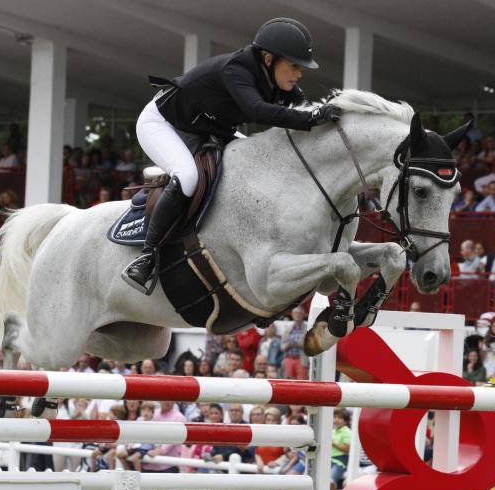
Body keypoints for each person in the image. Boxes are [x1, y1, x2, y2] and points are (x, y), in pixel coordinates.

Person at [124, 18, 342, 290]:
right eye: (295, 66)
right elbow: (257, 111)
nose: (299, 74)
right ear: (268, 58)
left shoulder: (275, 78)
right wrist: (312, 119)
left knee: (259, 161)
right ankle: (147, 256)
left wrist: (331, 115)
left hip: (208, 129)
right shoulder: (236, 70)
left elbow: (304, 107)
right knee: (188, 177)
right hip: (164, 124)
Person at [281, 306, 309, 380]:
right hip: (289, 358)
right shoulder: (288, 329)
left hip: (301, 359)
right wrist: (288, 345)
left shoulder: (308, 329)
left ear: (304, 315)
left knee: (301, 382)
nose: (298, 315)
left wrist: (298, 344)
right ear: (292, 315)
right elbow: (282, 346)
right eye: (296, 313)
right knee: (288, 383)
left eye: (300, 313)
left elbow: (309, 345)